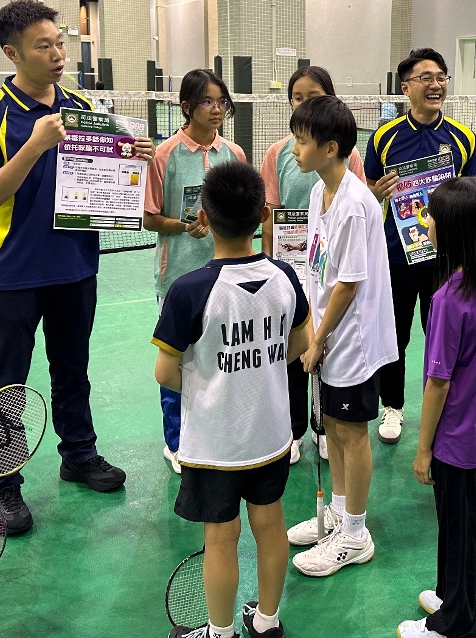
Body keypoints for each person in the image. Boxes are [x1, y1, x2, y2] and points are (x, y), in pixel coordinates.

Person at [0, 0, 155, 535]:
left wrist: (133, 156)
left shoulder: (83, 107)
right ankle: (5, 485)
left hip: (75, 268)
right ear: (12, 53)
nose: (57, 54)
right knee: (6, 386)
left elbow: (108, 181)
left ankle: (79, 455)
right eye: (43, 46)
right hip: (13, 276)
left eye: (60, 43)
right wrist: (34, 146)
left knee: (73, 369)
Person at [154, 161, 311, 638]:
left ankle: (218, 632)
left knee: (221, 536)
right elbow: (300, 345)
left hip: (214, 443)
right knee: (271, 525)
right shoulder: (285, 276)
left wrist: (213, 386)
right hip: (272, 434)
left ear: (204, 216)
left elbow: (165, 372)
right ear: (263, 215)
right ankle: (267, 622)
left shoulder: (189, 290)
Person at [285, 96, 397, 575]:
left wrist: (316, 340)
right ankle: (336, 512)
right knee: (331, 424)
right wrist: (313, 329)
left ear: (330, 148)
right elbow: (319, 270)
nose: (294, 148)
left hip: (352, 339)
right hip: (328, 331)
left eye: (302, 141)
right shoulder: (319, 193)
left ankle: (355, 533)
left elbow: (349, 284)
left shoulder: (353, 204)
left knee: (351, 433)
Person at [401, 177, 476, 638]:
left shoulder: (448, 300)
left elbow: (437, 383)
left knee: (458, 528)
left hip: (455, 437)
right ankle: (470, 602)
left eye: (433, 218)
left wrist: (423, 448)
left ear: (456, 230)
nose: (426, 224)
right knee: (471, 521)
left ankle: (455, 623)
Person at [363, 48, 476, 444]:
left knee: (443, 338)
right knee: (395, 335)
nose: (436, 85)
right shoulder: (384, 136)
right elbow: (368, 187)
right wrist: (377, 191)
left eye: (441, 77)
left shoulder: (463, 137)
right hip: (396, 257)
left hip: (446, 261)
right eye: (426, 78)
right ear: (406, 88)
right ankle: (393, 406)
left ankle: (444, 409)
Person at [259, 65, 365, 465]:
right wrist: (271, 266)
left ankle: (322, 425)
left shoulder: (347, 159)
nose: (303, 103)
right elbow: (270, 213)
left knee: (324, 346)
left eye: (313, 96)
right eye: (297, 98)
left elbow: (355, 209)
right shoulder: (280, 153)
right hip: (291, 268)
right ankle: (294, 430)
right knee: (294, 350)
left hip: (330, 272)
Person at [145, 69, 246, 475]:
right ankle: (177, 442)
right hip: (178, 277)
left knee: (223, 358)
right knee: (177, 362)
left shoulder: (233, 153)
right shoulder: (165, 154)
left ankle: (217, 432)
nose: (216, 109)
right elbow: (150, 217)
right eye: (207, 101)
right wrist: (182, 226)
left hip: (226, 274)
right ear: (187, 106)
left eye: (221, 101)